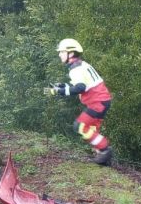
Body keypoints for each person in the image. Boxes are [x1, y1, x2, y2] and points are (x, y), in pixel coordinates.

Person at [47, 38, 114, 166]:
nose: (59, 54)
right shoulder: (81, 65)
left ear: (71, 53)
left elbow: (80, 88)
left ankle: (105, 150)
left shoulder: (75, 69)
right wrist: (62, 87)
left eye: (62, 52)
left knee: (80, 126)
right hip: (101, 101)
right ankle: (103, 157)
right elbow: (82, 85)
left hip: (97, 102)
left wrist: (59, 91)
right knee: (91, 130)